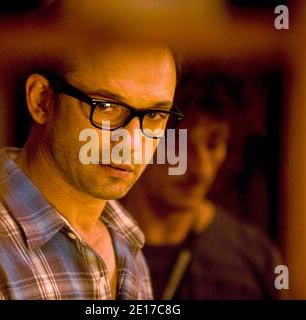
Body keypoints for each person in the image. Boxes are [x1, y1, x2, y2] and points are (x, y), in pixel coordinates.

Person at [0, 30, 182, 299]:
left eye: (156, 115)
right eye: (106, 107)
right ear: (42, 100)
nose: (132, 142)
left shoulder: (127, 244)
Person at [121, 71, 283, 300]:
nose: (202, 169)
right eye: (178, 143)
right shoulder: (87, 247)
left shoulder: (256, 258)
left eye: (214, 143)